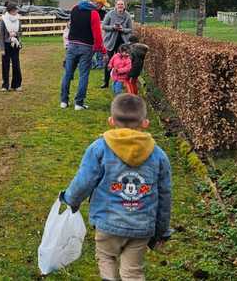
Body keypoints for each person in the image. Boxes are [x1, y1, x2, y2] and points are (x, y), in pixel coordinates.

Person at [60, 94, 173, 281]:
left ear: (111, 121)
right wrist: (162, 230)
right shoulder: (159, 156)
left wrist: (71, 199)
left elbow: (84, 180)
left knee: (106, 257)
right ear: (145, 123)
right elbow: (165, 195)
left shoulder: (99, 149)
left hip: (107, 223)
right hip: (141, 226)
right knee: (133, 271)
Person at [60, 0, 108, 110]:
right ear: (98, 4)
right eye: (102, 5)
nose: (102, 8)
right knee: (83, 75)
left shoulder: (75, 8)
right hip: (86, 47)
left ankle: (64, 101)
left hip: (72, 45)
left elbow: (71, 26)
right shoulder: (94, 13)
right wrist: (102, 50)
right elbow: (97, 35)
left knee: (67, 73)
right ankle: (78, 103)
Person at [101, 0, 134, 89]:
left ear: (124, 6)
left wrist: (122, 29)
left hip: (123, 43)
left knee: (122, 63)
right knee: (108, 62)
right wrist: (113, 27)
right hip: (111, 41)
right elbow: (103, 26)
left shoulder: (127, 16)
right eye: (118, 4)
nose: (120, 6)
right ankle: (106, 81)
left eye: (122, 4)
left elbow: (130, 29)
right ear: (115, 5)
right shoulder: (110, 14)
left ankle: (121, 82)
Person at [0, 2, 22, 92]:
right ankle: (5, 85)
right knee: (5, 65)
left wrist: (16, 33)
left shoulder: (18, 19)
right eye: (15, 9)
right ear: (10, 10)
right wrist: (2, 49)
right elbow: (0, 35)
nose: (16, 11)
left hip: (15, 44)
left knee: (16, 65)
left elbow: (21, 32)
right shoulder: (3, 20)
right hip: (6, 44)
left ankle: (16, 85)